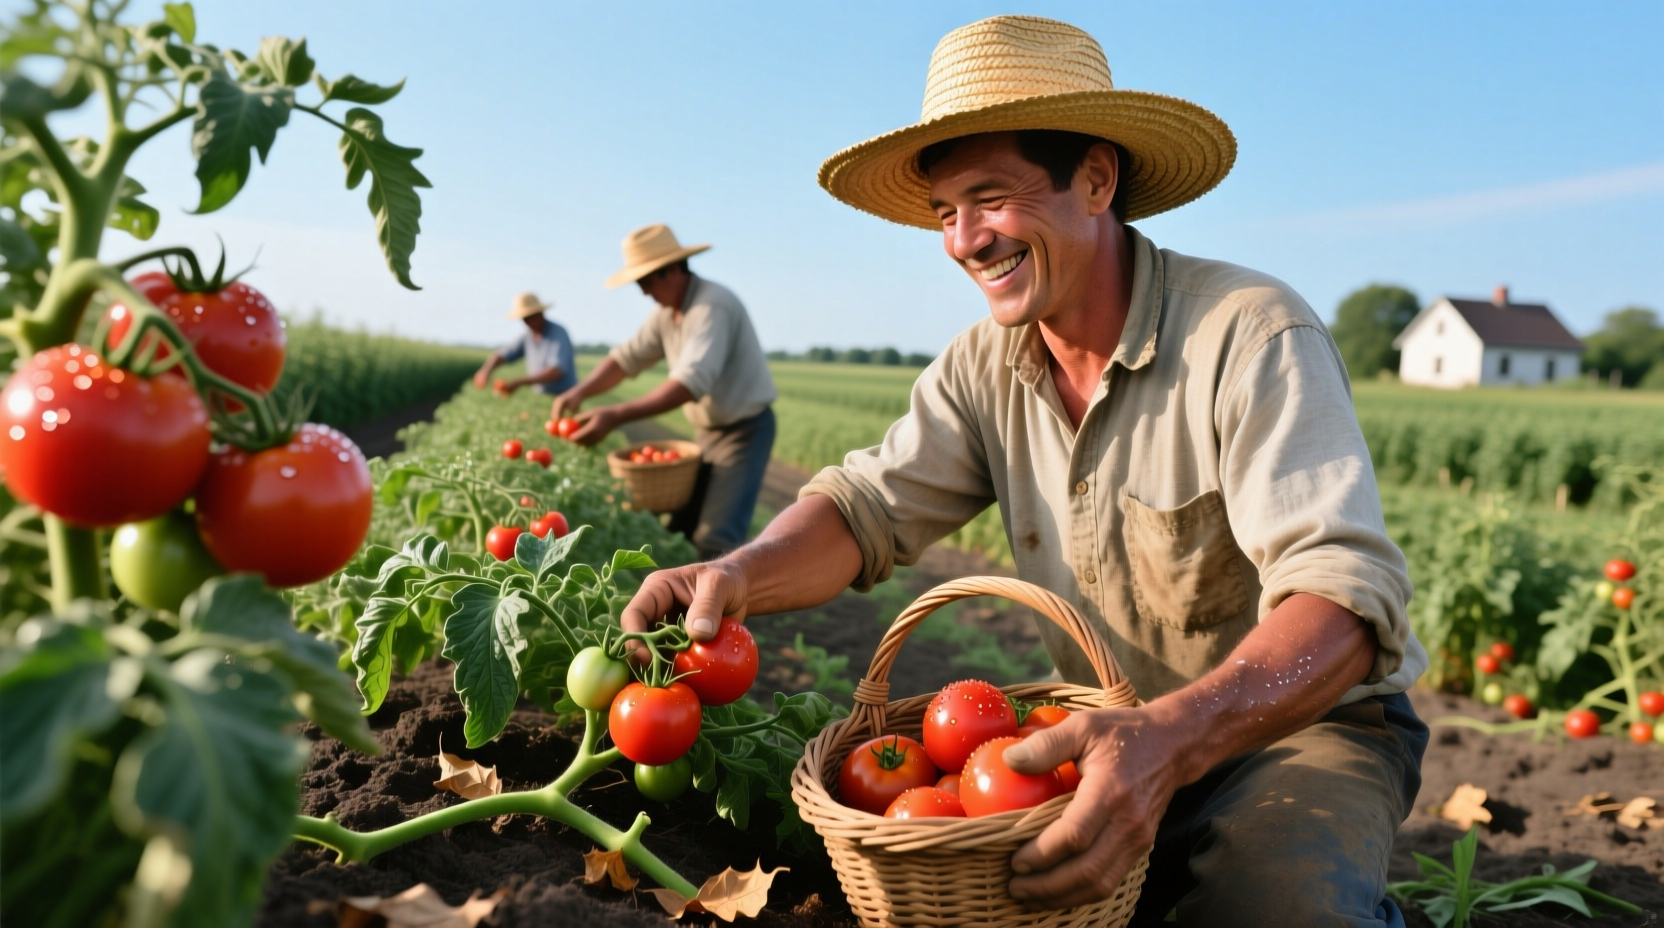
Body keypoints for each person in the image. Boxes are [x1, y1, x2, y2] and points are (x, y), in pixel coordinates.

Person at [619, 15, 1429, 928]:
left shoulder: (1246, 331)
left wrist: (1169, 740)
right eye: (944, 213)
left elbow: (1346, 602)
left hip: (1293, 728)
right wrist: (735, 574)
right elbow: (863, 510)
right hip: (1089, 739)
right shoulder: (984, 365)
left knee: (1272, 910)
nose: (965, 241)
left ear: (1095, 178)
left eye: (991, 199)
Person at [553, 224, 777, 559]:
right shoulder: (666, 314)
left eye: (645, 281)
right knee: (681, 527)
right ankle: (682, 606)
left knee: (715, 538)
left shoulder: (711, 306)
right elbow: (625, 358)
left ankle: (724, 607)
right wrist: (579, 392)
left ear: (672, 270)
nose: (643, 292)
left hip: (744, 431)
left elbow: (690, 383)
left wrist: (615, 414)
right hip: (707, 431)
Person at [473, 292, 577, 396]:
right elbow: (504, 354)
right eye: (526, 318)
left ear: (541, 312)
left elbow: (556, 371)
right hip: (540, 394)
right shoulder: (527, 336)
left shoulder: (558, 332)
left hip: (565, 395)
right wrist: (486, 370)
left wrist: (519, 382)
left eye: (533, 316)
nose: (530, 321)